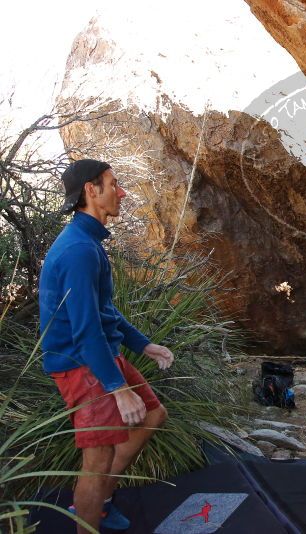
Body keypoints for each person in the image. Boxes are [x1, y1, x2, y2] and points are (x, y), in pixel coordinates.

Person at [39, 159, 173, 533]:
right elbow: (84, 330)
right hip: (80, 362)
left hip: (98, 351)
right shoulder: (78, 251)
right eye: (114, 184)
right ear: (90, 190)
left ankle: (99, 502)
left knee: (152, 415)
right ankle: (88, 518)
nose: (122, 192)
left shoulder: (88, 243)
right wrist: (117, 388)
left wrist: (143, 345)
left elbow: (103, 311)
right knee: (97, 459)